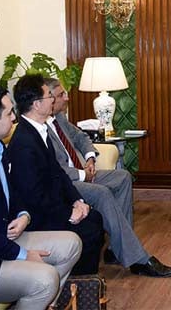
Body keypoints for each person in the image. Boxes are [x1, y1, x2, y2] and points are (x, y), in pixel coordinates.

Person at [0, 82, 82, 309]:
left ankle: (40, 303)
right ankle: (38, 291)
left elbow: (13, 191)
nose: (14, 118)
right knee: (46, 279)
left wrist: (24, 214)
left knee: (72, 244)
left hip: (6, 238)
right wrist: (22, 254)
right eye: (9, 113)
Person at [44, 78, 171, 278]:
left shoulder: (58, 118)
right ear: (50, 98)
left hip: (82, 173)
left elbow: (80, 137)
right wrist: (83, 174)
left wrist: (89, 157)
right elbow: (54, 170)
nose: (67, 97)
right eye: (62, 94)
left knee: (122, 177)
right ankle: (138, 259)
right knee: (102, 192)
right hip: (68, 182)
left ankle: (116, 249)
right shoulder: (39, 129)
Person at [6, 74, 104, 276]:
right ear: (36, 104)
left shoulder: (39, 130)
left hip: (53, 205)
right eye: (49, 95)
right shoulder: (23, 143)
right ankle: (77, 286)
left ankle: (83, 286)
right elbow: (34, 196)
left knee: (94, 219)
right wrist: (68, 213)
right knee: (89, 230)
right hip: (38, 217)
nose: (53, 100)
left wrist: (77, 200)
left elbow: (58, 173)